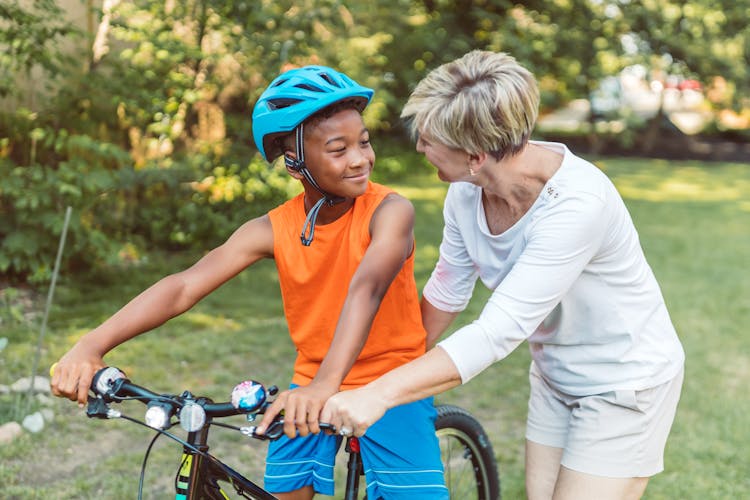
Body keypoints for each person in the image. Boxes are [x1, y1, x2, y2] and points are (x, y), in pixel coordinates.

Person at [50, 65, 448, 500]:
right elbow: (183, 286)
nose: (359, 158)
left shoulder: (391, 211)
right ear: (294, 162)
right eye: (338, 149)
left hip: (389, 381)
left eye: (363, 142)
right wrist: (91, 344)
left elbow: (367, 288)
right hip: (312, 382)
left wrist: (324, 387)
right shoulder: (272, 228)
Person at [320, 50, 685, 500]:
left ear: (476, 155)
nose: (418, 146)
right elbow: (448, 289)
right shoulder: (465, 193)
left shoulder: (576, 205)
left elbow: (497, 332)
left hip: (624, 384)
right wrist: (379, 369)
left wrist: (378, 395)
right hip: (555, 376)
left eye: (429, 139)